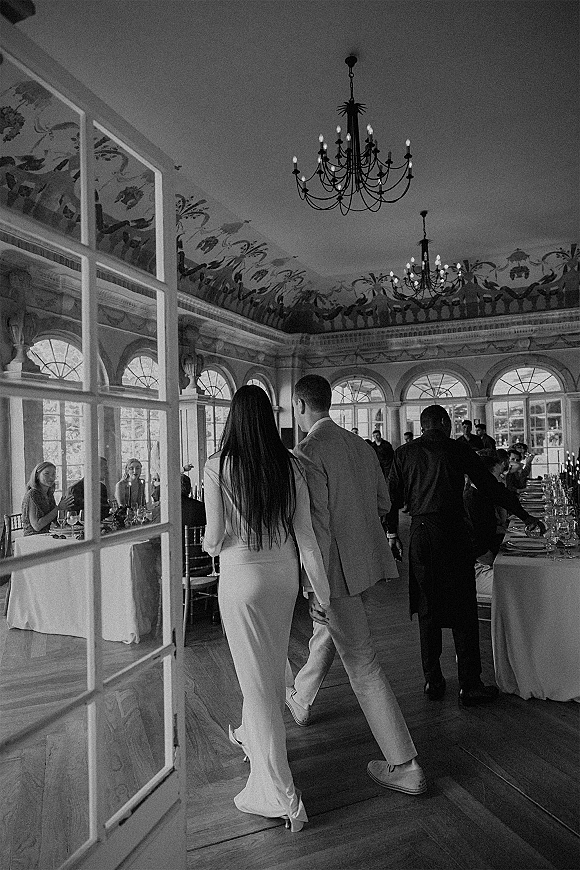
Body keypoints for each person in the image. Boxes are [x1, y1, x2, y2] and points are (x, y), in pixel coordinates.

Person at [286, 375, 426, 796]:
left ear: (298, 404)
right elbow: (385, 504)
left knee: (363, 666)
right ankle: (303, 698)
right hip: (362, 565)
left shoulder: (308, 451)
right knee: (337, 633)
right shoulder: (361, 446)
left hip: (335, 571)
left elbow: (316, 527)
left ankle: (405, 764)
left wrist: (315, 586)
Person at [203, 385, 330, 832]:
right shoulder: (290, 463)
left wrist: (207, 541)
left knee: (257, 681)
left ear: (233, 419)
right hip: (284, 578)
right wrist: (323, 594)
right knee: (270, 669)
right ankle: (248, 737)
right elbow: (307, 537)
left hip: (241, 578)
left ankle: (280, 794)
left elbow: (215, 538)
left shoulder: (218, 466)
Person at [386, 405, 545, 706]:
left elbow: (391, 499)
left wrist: (391, 535)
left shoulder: (404, 453)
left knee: (426, 607)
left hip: (420, 534)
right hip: (452, 533)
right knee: (463, 608)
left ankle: (432, 680)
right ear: (445, 423)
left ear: (422, 426)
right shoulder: (457, 450)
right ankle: (469, 684)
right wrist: (524, 515)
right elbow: (489, 487)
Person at [463, 454, 507, 602]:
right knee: (518, 584)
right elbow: (478, 551)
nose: (500, 479)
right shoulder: (470, 500)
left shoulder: (482, 496)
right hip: (475, 570)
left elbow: (497, 525)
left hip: (486, 561)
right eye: (497, 475)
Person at [22, 461, 74, 536]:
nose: (51, 477)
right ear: (37, 475)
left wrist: (64, 509)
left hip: (47, 535)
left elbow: (57, 521)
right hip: (33, 539)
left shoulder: (49, 494)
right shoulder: (33, 494)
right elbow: (37, 526)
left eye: (53, 474)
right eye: (46, 474)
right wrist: (59, 508)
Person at [68, 456, 110, 521]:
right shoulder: (75, 489)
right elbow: (73, 516)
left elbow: (105, 512)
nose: (107, 472)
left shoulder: (102, 488)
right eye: (105, 469)